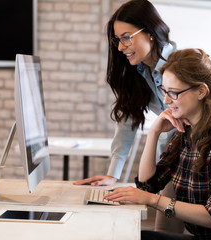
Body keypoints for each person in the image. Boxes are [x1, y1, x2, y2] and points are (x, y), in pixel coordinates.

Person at [105, 48, 211, 239]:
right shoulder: (185, 133)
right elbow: (147, 185)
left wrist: (153, 200)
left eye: (174, 93)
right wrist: (154, 132)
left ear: (201, 91)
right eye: (164, 91)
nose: (166, 101)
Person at [73, 0, 184, 233]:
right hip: (170, 158)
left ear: (150, 33)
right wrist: (113, 174)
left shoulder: (180, 64)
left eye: (126, 37)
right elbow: (127, 122)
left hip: (195, 159)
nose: (121, 47)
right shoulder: (138, 70)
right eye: (117, 40)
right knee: (164, 231)